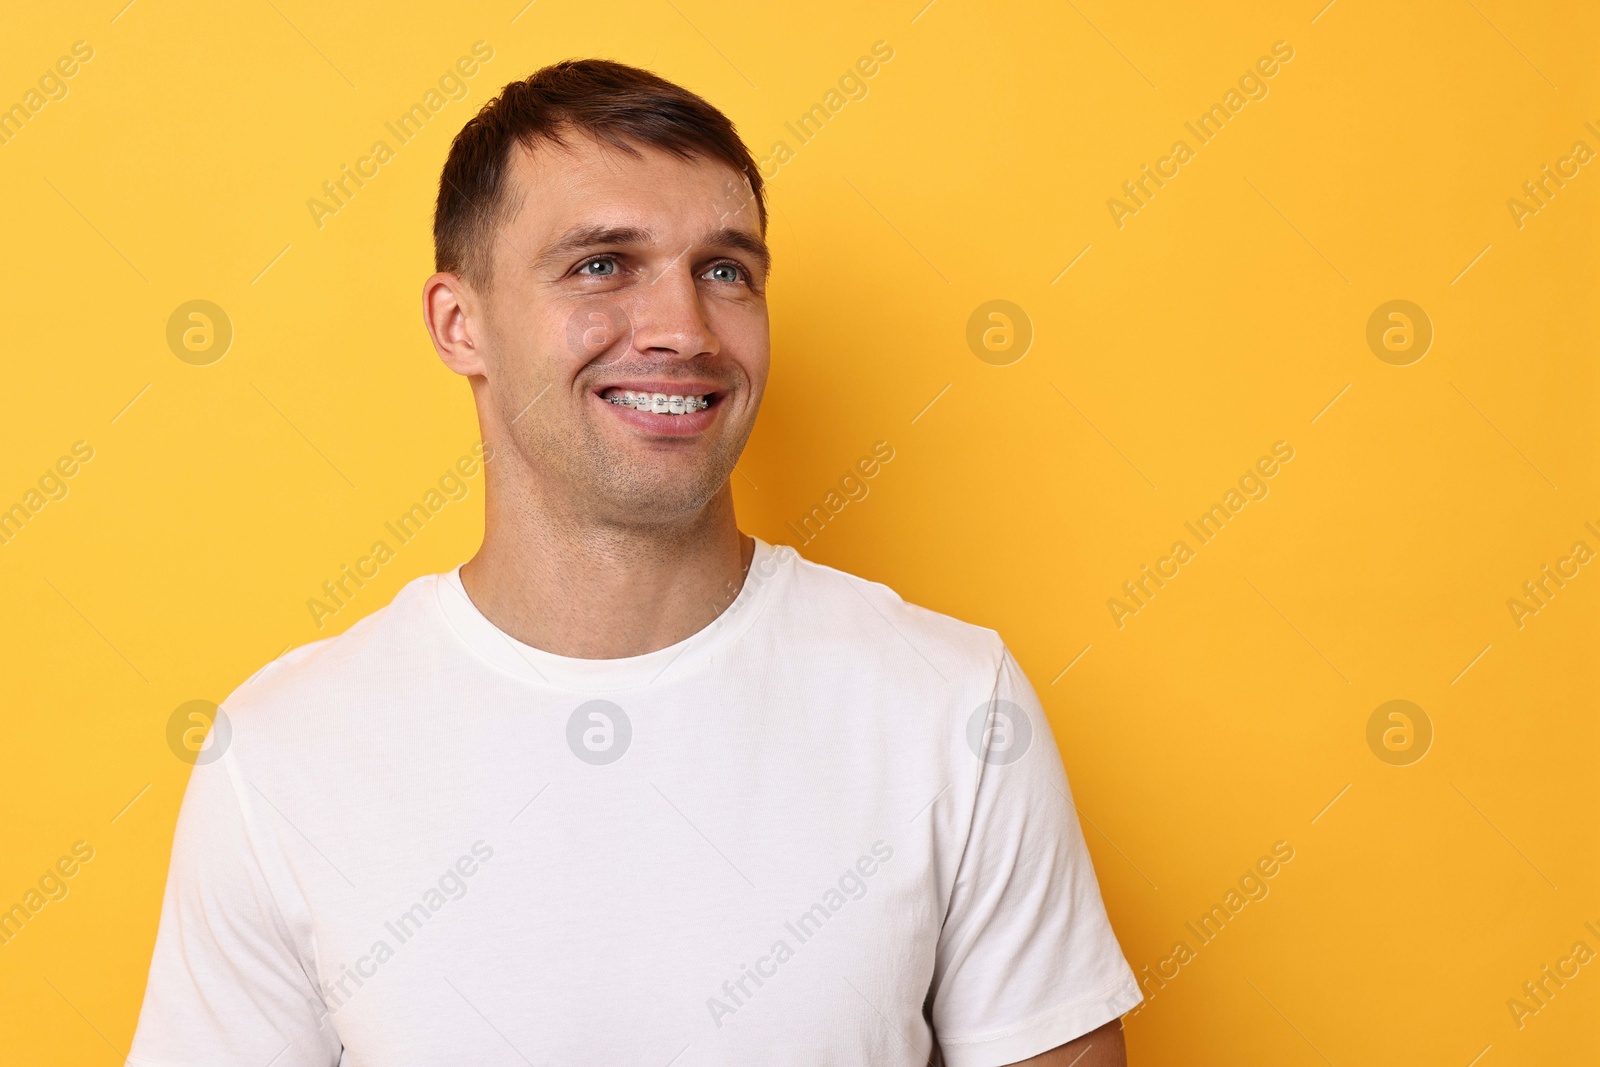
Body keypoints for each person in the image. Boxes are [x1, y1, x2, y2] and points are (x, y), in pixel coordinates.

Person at [129, 59, 1140, 1066]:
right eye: (602, 264)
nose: (683, 331)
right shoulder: (282, 753)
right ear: (458, 323)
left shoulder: (956, 708)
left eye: (724, 270)